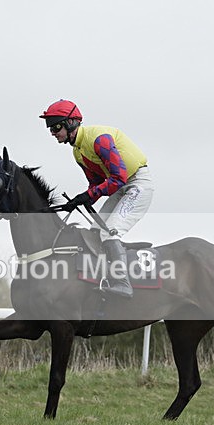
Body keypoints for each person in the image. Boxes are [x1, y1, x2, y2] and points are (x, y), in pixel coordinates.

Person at [39, 99, 154, 298]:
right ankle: (102, 279)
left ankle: (123, 283)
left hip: (137, 184)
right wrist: (78, 201)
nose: (52, 132)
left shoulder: (98, 139)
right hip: (121, 187)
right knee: (95, 233)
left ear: (71, 123)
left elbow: (118, 178)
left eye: (56, 126)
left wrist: (88, 196)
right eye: (50, 128)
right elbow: (97, 185)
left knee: (110, 234)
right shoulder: (77, 152)